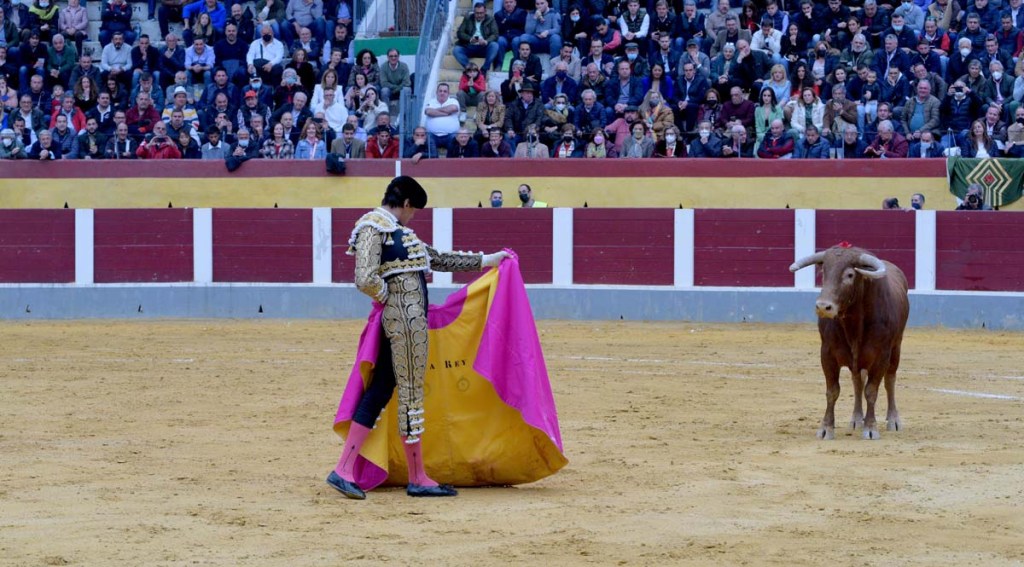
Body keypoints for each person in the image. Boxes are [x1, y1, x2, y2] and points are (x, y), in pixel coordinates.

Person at [326, 176, 508, 500]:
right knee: (409, 393)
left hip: (408, 323)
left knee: (382, 389)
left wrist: (486, 260)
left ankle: (347, 469)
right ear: (407, 203)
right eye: (414, 211)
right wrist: (391, 299)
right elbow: (364, 278)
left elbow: (438, 258)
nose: (413, 217)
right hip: (403, 323)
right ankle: (415, 477)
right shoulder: (372, 226)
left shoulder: (398, 232)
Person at [454, 2, 499, 72]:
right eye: (477, 13)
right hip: (469, 46)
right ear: (474, 12)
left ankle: (484, 69)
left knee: (494, 45)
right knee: (456, 50)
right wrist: (470, 39)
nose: (479, 15)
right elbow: (460, 33)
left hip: (484, 47)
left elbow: (495, 34)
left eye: (481, 13)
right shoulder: (468, 18)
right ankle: (470, 69)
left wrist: (486, 41)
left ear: (485, 12)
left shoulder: (491, 19)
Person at [424, 82, 460, 158]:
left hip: (451, 135)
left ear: (448, 93)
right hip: (432, 135)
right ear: (436, 92)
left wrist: (435, 110)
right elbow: (428, 112)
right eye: (440, 91)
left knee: (456, 140)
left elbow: (453, 108)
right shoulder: (431, 101)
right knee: (426, 139)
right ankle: (434, 162)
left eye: (445, 91)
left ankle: (450, 163)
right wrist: (446, 113)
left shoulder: (453, 101)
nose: (442, 93)